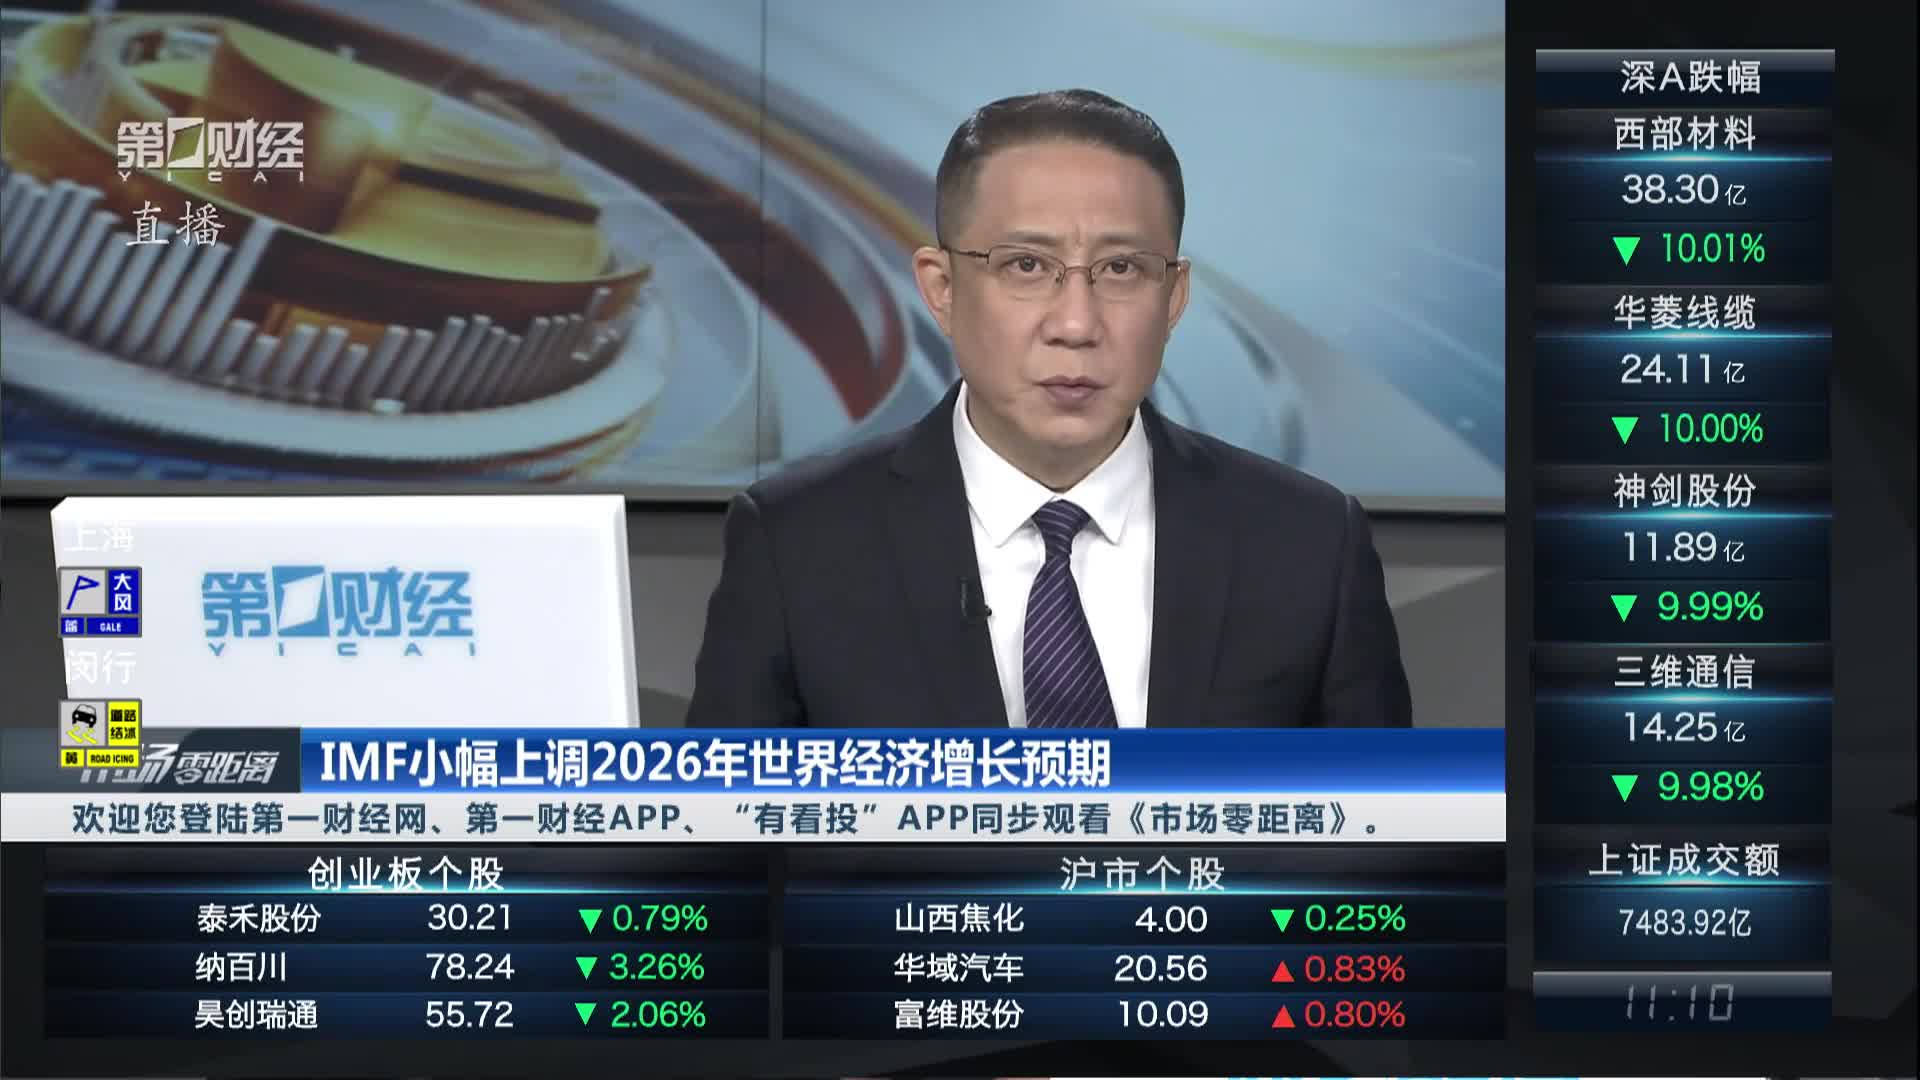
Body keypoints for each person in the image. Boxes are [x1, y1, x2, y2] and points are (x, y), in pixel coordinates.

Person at [686, 89, 1411, 729]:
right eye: (1026, 266)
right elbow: (728, 834)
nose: (1075, 323)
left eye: (1121, 268)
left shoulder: (1309, 546)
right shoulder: (798, 545)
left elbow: (1382, 835)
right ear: (941, 289)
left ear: (1174, 298)